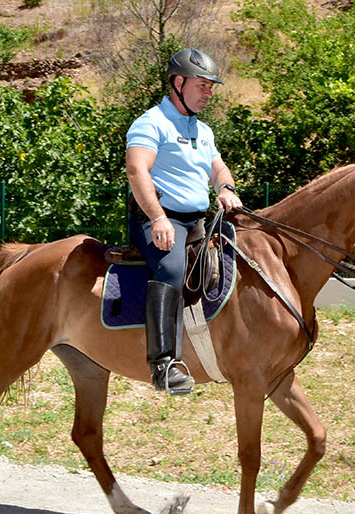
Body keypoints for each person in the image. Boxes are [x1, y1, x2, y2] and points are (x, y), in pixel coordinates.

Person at [125, 48, 242, 395]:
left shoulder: (202, 130)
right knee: (173, 268)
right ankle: (163, 365)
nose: (209, 92)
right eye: (202, 85)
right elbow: (136, 170)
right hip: (157, 219)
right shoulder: (151, 123)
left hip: (197, 220)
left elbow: (217, 168)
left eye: (211, 87)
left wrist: (226, 187)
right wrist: (157, 217)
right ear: (178, 83)